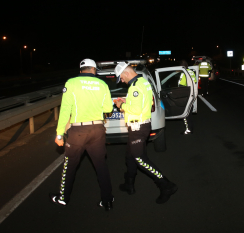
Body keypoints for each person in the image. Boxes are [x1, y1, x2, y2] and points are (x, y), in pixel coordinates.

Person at [50, 58, 114, 211]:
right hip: (97, 130)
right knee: (101, 166)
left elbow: (65, 109)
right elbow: (107, 108)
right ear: (94, 69)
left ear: (81, 70)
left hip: (78, 131)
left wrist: (59, 134)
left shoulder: (71, 83)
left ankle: (63, 198)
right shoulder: (102, 84)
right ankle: (107, 201)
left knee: (70, 165)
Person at [114, 62, 177, 204]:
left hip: (138, 128)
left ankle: (166, 185)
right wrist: (127, 100)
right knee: (130, 157)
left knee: (140, 159)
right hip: (141, 126)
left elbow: (135, 110)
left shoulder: (135, 87)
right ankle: (129, 184)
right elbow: (142, 102)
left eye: (121, 78)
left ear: (126, 73)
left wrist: (121, 105)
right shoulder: (143, 82)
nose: (122, 81)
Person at [178, 59, 197, 135]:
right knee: (189, 113)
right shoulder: (191, 72)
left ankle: (188, 129)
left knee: (186, 114)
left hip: (186, 96)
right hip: (192, 94)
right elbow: (195, 83)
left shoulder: (183, 73)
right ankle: (190, 128)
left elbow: (181, 86)